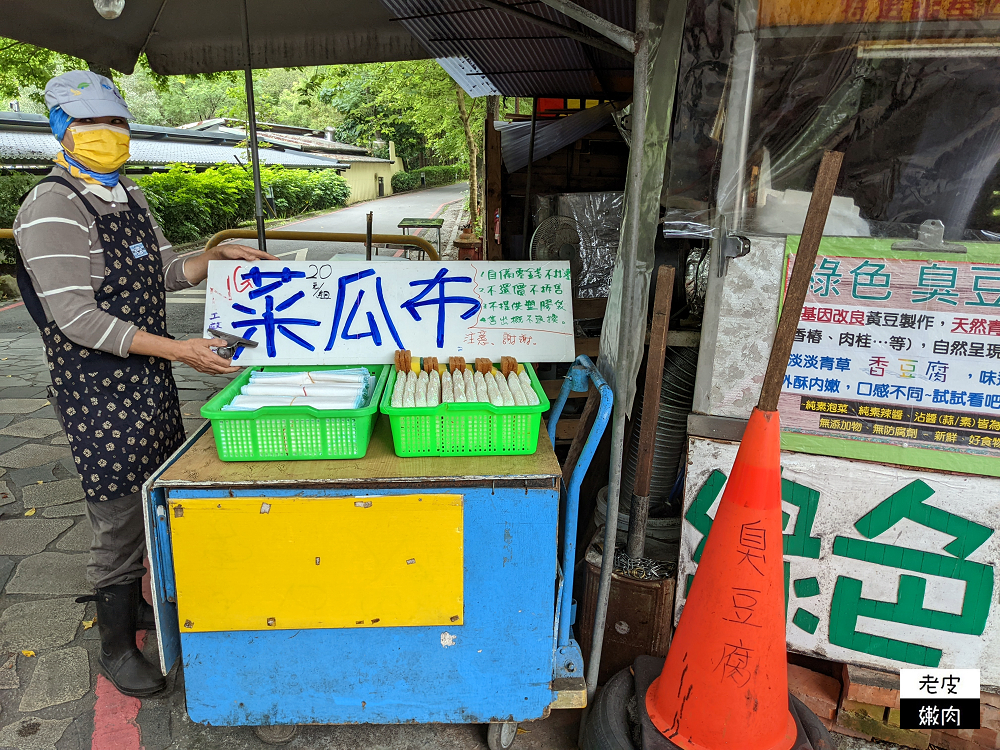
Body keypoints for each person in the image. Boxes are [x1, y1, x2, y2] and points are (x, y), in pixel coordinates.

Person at [12, 71, 275, 697]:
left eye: (118, 124)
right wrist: (179, 349)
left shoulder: (123, 192)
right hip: (98, 388)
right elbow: (73, 316)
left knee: (155, 492)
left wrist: (211, 259)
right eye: (91, 126)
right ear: (59, 131)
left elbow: (157, 269)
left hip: (148, 380)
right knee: (118, 513)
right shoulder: (52, 205)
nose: (109, 136)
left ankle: (139, 602)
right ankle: (114, 643)